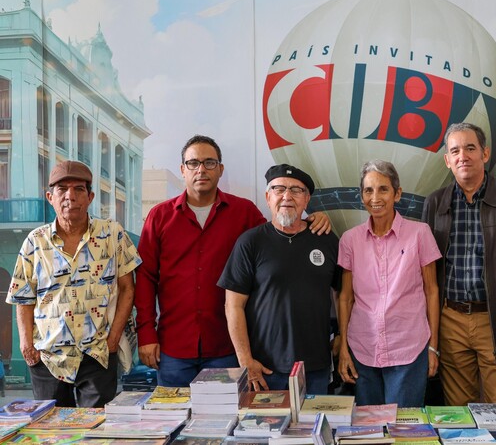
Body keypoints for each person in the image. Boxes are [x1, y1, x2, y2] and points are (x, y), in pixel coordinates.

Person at [135, 136, 330, 387]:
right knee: (173, 422)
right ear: (182, 170)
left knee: (226, 424)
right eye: (193, 163)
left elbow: (281, 236)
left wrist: (312, 219)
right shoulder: (159, 216)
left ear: (221, 169)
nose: (201, 169)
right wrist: (146, 334)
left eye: (209, 162)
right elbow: (146, 277)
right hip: (173, 348)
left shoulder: (244, 212)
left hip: (227, 348)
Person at [422, 122, 496, 405]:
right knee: (458, 412)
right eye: (455, 150)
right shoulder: (434, 203)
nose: (463, 155)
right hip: (450, 320)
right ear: (447, 160)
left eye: (470, 148)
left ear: (485, 154)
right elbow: (424, 272)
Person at [6, 160, 141, 407]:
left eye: (79, 189)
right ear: (50, 197)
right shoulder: (34, 242)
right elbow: (23, 298)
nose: (71, 196)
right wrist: (27, 346)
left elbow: (127, 288)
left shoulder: (112, 234)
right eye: (62, 189)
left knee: (98, 434)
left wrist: (113, 339)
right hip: (47, 358)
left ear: (89, 197)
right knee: (53, 434)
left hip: (97, 354)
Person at [219, 164, 340, 394]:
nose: (287, 196)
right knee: (266, 430)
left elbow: (343, 294)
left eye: (296, 190)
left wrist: (343, 336)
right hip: (265, 371)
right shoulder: (250, 243)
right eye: (279, 189)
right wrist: (245, 361)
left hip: (316, 369)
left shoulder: (326, 239)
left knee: (313, 429)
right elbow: (233, 305)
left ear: (307, 199)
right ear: (268, 197)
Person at [338, 160, 441, 407]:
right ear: (361, 195)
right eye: (368, 190)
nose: (376, 197)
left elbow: (432, 291)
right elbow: (345, 297)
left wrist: (433, 347)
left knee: (404, 431)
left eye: (383, 189)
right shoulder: (350, 239)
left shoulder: (420, 233)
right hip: (363, 349)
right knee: (368, 431)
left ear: (397, 193)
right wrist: (343, 349)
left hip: (409, 348)